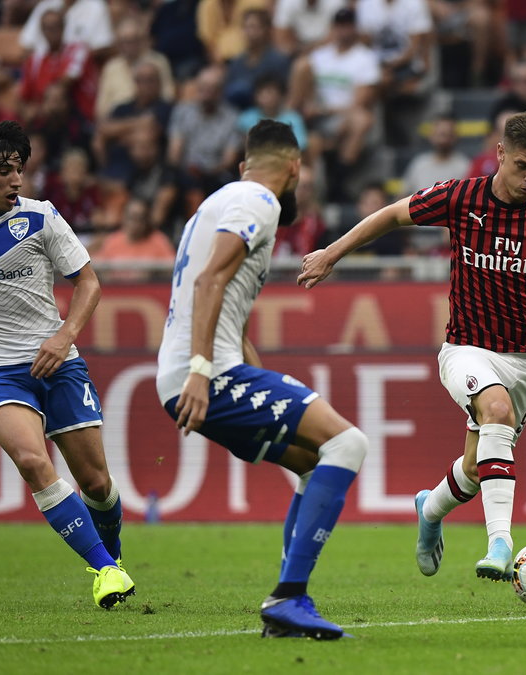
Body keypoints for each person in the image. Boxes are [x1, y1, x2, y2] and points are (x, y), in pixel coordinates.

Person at [297, 112, 526, 582]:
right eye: (523, 165)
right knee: (497, 411)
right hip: (466, 347)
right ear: (500, 153)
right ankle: (501, 543)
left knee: (474, 468)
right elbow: (390, 215)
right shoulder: (461, 197)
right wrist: (331, 254)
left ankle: (429, 510)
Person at [156, 120, 368, 640]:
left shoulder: (220, 200)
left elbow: (229, 309)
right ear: (294, 168)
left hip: (208, 366)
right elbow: (210, 280)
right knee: (348, 443)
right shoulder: (259, 201)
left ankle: (286, 606)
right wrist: (204, 373)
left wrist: (253, 369)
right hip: (204, 371)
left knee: (312, 461)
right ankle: (289, 595)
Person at [0, 121, 131, 608]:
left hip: (60, 364)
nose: (16, 181)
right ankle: (106, 569)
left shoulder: (41, 218)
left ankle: (111, 564)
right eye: (4, 171)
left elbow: (89, 283)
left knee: (97, 484)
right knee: (32, 461)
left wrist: (64, 335)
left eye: (20, 170)